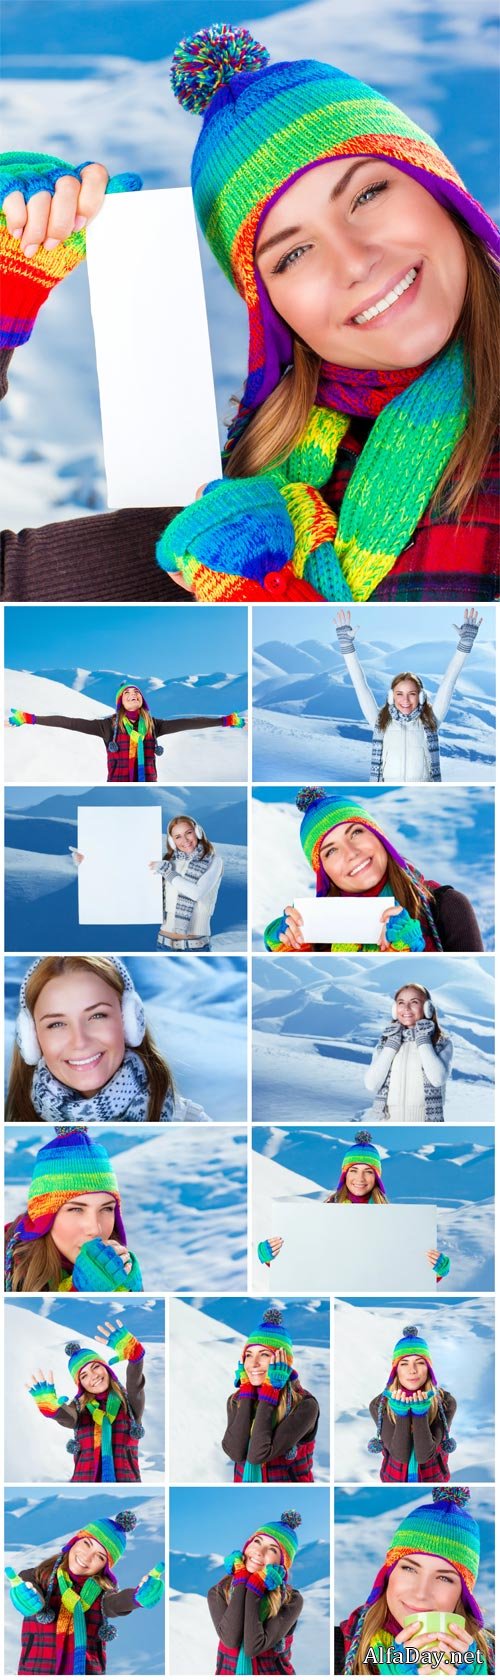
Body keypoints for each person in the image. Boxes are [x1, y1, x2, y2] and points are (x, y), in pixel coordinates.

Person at [1, 26, 499, 603]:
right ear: (270, 312)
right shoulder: (234, 511)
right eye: (292, 253)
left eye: (367, 195)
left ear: (440, 190)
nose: (354, 262)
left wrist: (274, 605)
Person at [263, 788, 484, 953]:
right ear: (323, 873)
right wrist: (290, 948)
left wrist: (417, 951)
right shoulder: (317, 932)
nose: (351, 852)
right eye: (331, 851)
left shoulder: (445, 907)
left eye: (356, 832)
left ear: (379, 837)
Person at [6, 954, 213, 1123]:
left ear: (129, 1020)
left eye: (97, 1015)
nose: (80, 1041)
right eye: (56, 1024)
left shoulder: (192, 1121)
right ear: (31, 1039)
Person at [335, 1486, 494, 1674]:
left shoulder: (492, 1654)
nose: (420, 1593)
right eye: (409, 1568)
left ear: (463, 1594)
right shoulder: (338, 1651)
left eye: (444, 1578)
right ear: (387, 1575)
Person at [258, 1132, 451, 1284]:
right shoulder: (322, 1214)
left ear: (377, 1177)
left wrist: (437, 1272)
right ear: (345, 1174)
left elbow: (404, 1272)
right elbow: (302, 1266)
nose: (360, 1179)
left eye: (368, 1172)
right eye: (354, 1170)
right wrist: (269, 1258)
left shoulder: (394, 1221)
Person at [5, 1509, 164, 1676]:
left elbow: (116, 1602)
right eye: (87, 1544)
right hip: (37, 1669)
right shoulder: (38, 1576)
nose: (87, 1557)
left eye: (100, 1557)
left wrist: (137, 1597)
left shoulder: (102, 1593)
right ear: (75, 1541)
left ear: (105, 1568)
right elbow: (29, 1588)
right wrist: (26, 1599)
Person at [334, 610, 482, 781]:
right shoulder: (380, 722)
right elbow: (360, 684)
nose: (405, 700)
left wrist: (465, 643)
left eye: (411, 694)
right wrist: (347, 646)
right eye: (399, 694)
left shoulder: (431, 721)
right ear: (391, 697)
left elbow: (449, 681)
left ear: (420, 696)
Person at [8, 679, 245, 782]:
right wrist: (31, 718)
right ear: (120, 702)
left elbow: (188, 722)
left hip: (148, 783)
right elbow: (70, 722)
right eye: (128, 695)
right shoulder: (107, 726)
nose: (133, 696)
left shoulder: (154, 725)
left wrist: (224, 721)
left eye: (137, 694)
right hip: (118, 783)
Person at [5, 1126, 143, 1293]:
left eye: (106, 1209)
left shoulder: (115, 1264)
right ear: (43, 1217)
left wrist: (130, 1290)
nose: (95, 1229)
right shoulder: (9, 1265)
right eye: (76, 1209)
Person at [28, 1319, 147, 1483]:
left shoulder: (128, 1403)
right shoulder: (79, 1409)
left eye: (95, 1367)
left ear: (105, 1368)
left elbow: (136, 1386)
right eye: (84, 1376)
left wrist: (135, 1358)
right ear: (80, 1384)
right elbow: (68, 1417)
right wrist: (53, 1410)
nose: (94, 1377)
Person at [222, 1305, 320, 1482]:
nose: (254, 1363)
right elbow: (235, 1452)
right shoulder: (236, 1400)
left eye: (265, 1355)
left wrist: (270, 1391)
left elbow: (258, 1454)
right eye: (249, 1355)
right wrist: (246, 1393)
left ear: (283, 1360)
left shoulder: (304, 1405)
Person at [207, 1509, 303, 1674]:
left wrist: (254, 1588)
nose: (260, 1551)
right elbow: (230, 1639)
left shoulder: (290, 1600)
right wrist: (241, 1582)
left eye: (273, 1550)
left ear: (282, 1563)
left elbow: (253, 1646)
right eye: (257, 1541)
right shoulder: (219, 1592)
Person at [367, 1323, 457, 1484]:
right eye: (404, 1363)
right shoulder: (379, 1405)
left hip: (433, 1479)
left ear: (429, 1368)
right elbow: (399, 1455)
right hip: (393, 1481)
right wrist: (401, 1414)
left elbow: (424, 1455)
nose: (412, 1370)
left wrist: (419, 1413)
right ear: (396, 1370)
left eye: (420, 1362)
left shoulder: (445, 1402)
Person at [364, 983, 453, 1123]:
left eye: (414, 1002)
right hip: (389, 1121)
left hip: (425, 1121)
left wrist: (423, 1040)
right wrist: (391, 1046)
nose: (406, 1008)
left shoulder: (441, 1043)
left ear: (427, 1008)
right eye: (401, 1003)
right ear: (394, 1009)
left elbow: (437, 1078)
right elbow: (371, 1084)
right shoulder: (384, 1044)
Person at [149, 814, 223, 951]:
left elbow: (196, 893)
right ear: (172, 842)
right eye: (178, 837)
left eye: (188, 833)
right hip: (163, 943)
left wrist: (168, 873)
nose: (185, 840)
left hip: (195, 947)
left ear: (198, 832)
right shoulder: (168, 863)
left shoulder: (214, 861)